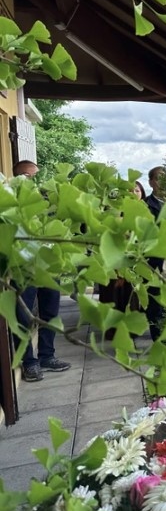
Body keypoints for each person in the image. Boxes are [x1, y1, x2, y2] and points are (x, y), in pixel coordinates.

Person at [11, 160, 71, 382]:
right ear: (18, 178)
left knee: (51, 312)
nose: (34, 181)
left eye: (36, 176)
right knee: (23, 316)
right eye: (29, 177)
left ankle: (47, 355)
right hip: (23, 268)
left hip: (47, 265)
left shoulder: (48, 201)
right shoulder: (10, 204)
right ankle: (29, 362)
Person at [98, 180, 146, 340]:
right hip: (114, 262)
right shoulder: (114, 211)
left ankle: (130, 331)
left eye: (137, 191)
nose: (134, 193)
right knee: (112, 296)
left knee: (131, 297)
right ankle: (112, 331)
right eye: (130, 191)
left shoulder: (146, 213)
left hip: (137, 262)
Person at [144, 166, 166, 341]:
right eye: (159, 178)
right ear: (151, 182)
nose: (164, 182)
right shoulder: (145, 206)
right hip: (153, 262)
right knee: (155, 305)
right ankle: (158, 340)